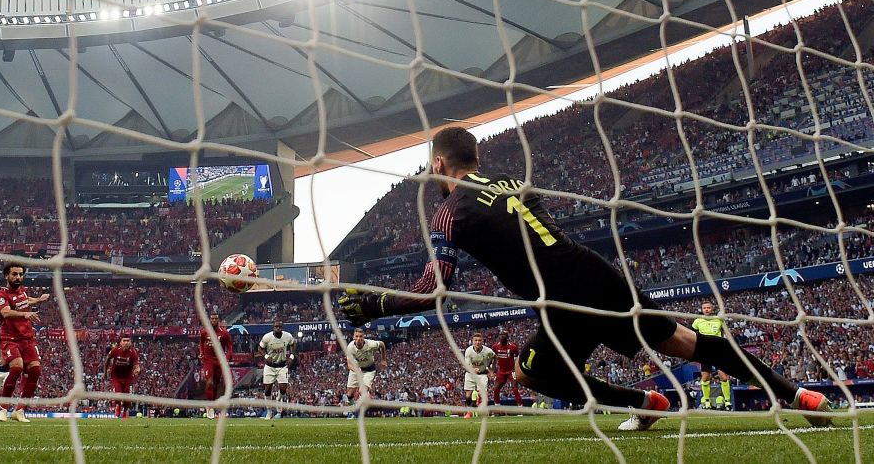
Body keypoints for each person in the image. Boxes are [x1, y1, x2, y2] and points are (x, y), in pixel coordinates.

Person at [338, 126, 833, 430]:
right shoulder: (514, 183)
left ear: (438, 164)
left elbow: (433, 291)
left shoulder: (450, 210)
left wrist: (376, 306)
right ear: (478, 160)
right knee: (685, 341)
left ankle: (647, 401)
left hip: (561, 298)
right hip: (595, 273)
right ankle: (798, 394)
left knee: (532, 374)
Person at [0, 263, 49, 423]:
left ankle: (19, 410)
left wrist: (38, 300)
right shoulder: (1, 295)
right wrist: (25, 315)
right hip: (10, 339)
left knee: (36, 371)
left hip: (28, 339)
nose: (18, 277)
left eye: (20, 274)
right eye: (14, 274)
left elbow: (26, 301)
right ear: (7, 276)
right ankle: (2, 409)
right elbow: (5, 312)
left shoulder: (22, 292)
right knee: (17, 368)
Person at [692, 301, 732, 411]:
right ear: (702, 309)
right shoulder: (697, 322)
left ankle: (728, 402)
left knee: (723, 377)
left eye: (708, 308)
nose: (706, 309)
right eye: (704, 308)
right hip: (705, 353)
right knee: (705, 377)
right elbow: (692, 335)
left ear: (712, 309)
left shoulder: (719, 320)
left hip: (718, 352)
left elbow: (726, 334)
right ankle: (707, 402)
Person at [258, 320, 296, 420]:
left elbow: (293, 344)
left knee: (283, 388)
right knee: (267, 389)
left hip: (282, 365)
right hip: (270, 366)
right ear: (273, 327)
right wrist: (266, 356)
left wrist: (291, 356)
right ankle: (269, 412)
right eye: (276, 326)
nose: (278, 328)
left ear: (282, 327)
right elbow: (260, 348)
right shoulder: (267, 337)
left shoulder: (287, 336)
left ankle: (278, 405)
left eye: (279, 326)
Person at [199, 313, 233, 420]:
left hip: (219, 360)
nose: (213, 320)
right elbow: (201, 343)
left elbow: (230, 347)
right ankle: (210, 407)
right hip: (208, 360)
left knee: (216, 384)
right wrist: (201, 352)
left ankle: (212, 404)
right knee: (209, 381)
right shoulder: (204, 331)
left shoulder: (224, 333)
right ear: (210, 320)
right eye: (212, 318)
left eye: (215, 319)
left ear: (218, 320)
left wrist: (227, 359)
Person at [345, 328, 387, 406]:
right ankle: (353, 407)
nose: (359, 338)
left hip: (369, 370)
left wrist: (383, 359)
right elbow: (349, 365)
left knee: (362, 391)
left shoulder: (370, 344)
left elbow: (382, 344)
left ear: (363, 337)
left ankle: (364, 403)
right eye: (356, 336)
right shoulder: (350, 347)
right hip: (356, 369)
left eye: (361, 336)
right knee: (349, 394)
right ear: (353, 337)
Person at [104, 335, 140, 419]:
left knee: (127, 398)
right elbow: (107, 360)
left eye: (128, 341)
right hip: (116, 376)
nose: (126, 342)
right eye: (124, 340)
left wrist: (137, 369)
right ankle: (118, 405)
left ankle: (125, 411)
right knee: (118, 393)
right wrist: (105, 372)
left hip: (128, 377)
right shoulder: (116, 350)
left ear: (130, 342)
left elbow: (136, 364)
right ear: (121, 342)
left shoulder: (133, 353)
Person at [462, 332, 496, 418]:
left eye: (479, 340)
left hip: (482, 374)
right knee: (468, 395)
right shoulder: (468, 351)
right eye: (476, 340)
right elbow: (466, 365)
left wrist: (492, 369)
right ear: (472, 341)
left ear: (482, 341)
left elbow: (494, 357)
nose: (477, 342)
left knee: (482, 393)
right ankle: (469, 412)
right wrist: (472, 370)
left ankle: (481, 410)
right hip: (470, 374)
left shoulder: (488, 351)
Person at [492, 331, 524, 407]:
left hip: (511, 371)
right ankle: (497, 406)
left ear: (507, 337)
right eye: (500, 335)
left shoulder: (513, 347)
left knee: (515, 389)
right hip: (501, 371)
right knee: (496, 389)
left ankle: (520, 406)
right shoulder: (495, 346)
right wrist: (494, 369)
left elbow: (517, 356)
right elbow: (494, 357)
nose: (502, 336)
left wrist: (515, 368)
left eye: (504, 335)